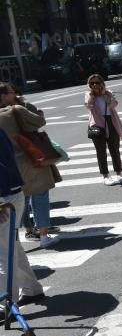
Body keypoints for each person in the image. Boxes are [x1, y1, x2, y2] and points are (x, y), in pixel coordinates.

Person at [0, 84, 58, 249]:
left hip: (8, 164)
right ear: (3, 95)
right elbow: (39, 121)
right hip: (29, 158)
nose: (15, 94)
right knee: (39, 195)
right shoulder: (16, 110)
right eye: (11, 92)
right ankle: (44, 235)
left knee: (20, 198)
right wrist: (35, 110)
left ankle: (26, 231)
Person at [0, 127, 45, 314]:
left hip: (5, 198)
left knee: (3, 252)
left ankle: (6, 303)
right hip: (10, 194)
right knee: (12, 246)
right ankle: (31, 288)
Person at [84, 74, 122, 186]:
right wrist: (92, 96)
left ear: (102, 84)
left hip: (110, 121)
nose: (95, 85)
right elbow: (88, 106)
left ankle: (119, 172)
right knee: (101, 151)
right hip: (96, 124)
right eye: (92, 83)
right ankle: (105, 175)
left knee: (115, 149)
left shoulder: (108, 93)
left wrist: (106, 96)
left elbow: (114, 104)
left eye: (97, 82)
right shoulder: (88, 94)